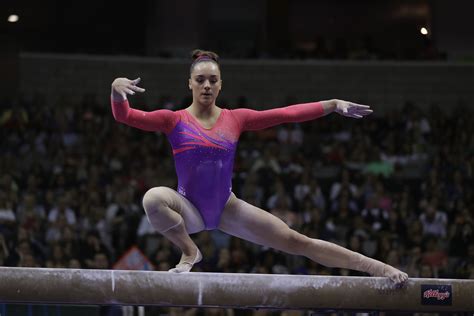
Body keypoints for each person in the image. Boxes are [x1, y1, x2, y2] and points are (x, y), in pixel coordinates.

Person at [110, 49, 408, 283]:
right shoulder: (173, 120)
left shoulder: (235, 118)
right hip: (187, 207)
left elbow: (285, 114)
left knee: (296, 240)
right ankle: (190, 250)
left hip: (227, 208)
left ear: (221, 84)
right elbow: (126, 117)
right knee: (153, 198)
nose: (207, 85)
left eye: (213, 80)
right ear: (189, 83)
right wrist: (116, 90)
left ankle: (378, 268)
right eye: (200, 80)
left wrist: (331, 104)